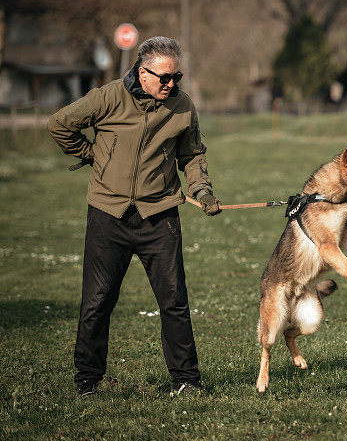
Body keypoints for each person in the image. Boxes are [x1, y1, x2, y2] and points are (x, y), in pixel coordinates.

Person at [47, 36, 222, 397]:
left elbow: (192, 154)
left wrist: (202, 189)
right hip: (108, 214)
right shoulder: (107, 97)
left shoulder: (183, 106)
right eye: (164, 77)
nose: (171, 84)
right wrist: (94, 156)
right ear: (142, 73)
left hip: (159, 216)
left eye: (177, 77)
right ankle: (88, 382)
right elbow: (60, 124)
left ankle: (187, 380)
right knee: (97, 301)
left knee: (174, 301)